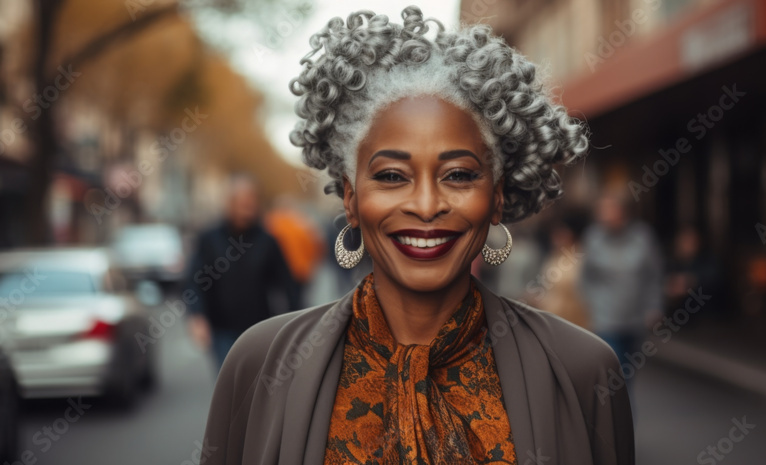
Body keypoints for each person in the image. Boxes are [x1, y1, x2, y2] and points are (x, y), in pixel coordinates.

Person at [200, 7, 634, 464]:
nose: (426, 206)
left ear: (498, 196)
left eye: (459, 175)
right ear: (350, 198)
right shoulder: (257, 364)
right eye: (391, 176)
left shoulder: (583, 371)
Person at [184, 174, 301, 369]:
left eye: (251, 200)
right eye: (242, 200)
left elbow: (287, 284)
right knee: (229, 385)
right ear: (229, 203)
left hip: (260, 329)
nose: (248, 205)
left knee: (256, 387)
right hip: (221, 328)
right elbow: (194, 281)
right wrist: (197, 317)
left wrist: (295, 325)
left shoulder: (268, 241)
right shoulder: (209, 239)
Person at [581, 191, 664, 365]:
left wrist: (654, 307)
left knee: (628, 369)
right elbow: (585, 277)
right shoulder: (593, 238)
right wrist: (592, 306)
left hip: (635, 318)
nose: (602, 215)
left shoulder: (642, 237)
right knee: (615, 368)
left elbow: (653, 276)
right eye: (600, 210)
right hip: (605, 320)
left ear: (622, 211)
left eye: (607, 209)